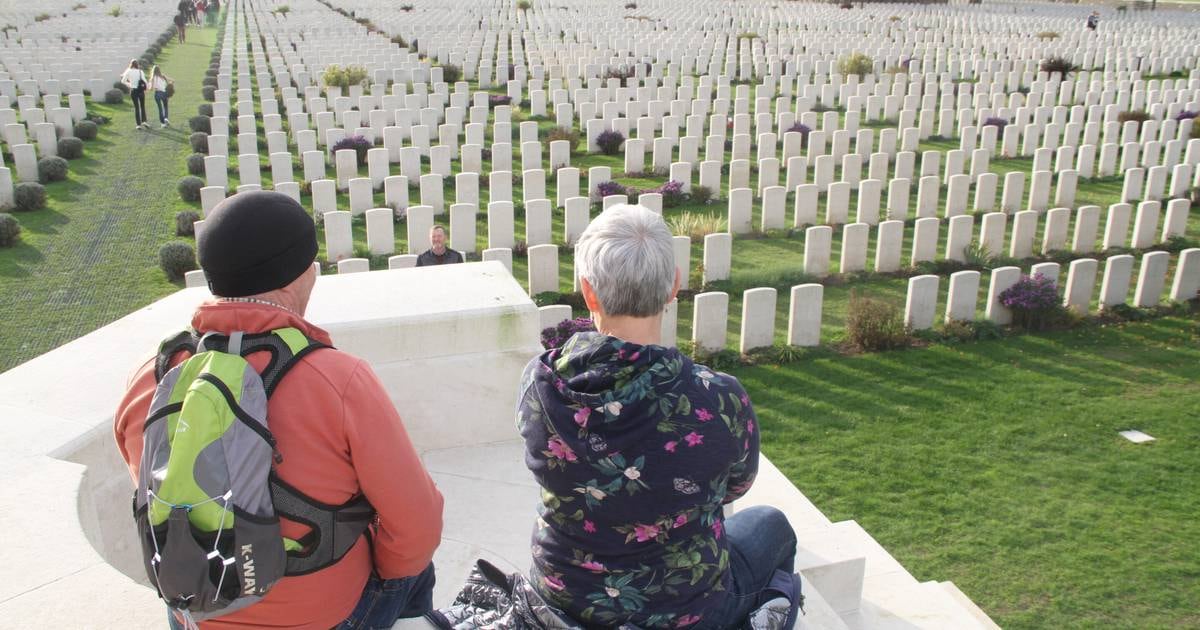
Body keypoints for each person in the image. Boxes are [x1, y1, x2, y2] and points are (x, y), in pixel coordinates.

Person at [114, 190, 444, 630]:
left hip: (197, 612)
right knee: (415, 567)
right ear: (298, 278)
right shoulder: (337, 381)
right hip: (323, 616)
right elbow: (417, 524)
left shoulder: (150, 378)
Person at [516, 204, 799, 629]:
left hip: (565, 595)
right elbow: (736, 486)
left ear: (587, 291)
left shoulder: (540, 384)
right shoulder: (719, 399)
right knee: (771, 526)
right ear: (674, 286)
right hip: (683, 608)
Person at [120, 59, 148, 130]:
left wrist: (130, 84)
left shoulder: (129, 71)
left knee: (137, 107)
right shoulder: (140, 71)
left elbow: (123, 81)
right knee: (142, 106)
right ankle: (144, 121)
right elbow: (145, 81)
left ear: (131, 64)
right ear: (137, 64)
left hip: (133, 91)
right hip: (141, 91)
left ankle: (138, 124)